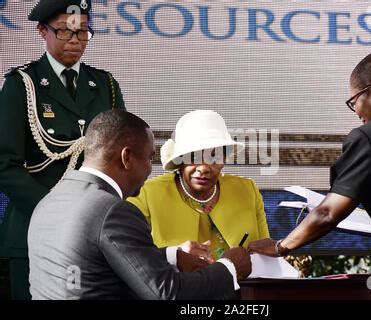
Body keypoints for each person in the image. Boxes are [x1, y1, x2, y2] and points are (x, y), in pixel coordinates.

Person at [248, 50, 371, 300]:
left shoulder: (370, 136)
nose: (355, 111)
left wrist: (281, 246)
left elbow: (328, 212)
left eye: (353, 101)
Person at [27, 109, 251, 300]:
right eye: (149, 158)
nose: (150, 169)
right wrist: (229, 267)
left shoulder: (50, 200)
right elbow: (166, 293)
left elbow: (98, 262)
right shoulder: (114, 211)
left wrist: (172, 255)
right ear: (127, 158)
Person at [0, 0, 125, 299]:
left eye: (83, 33)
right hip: (33, 228)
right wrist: (54, 211)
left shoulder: (105, 85)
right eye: (65, 32)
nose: (75, 41)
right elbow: (5, 164)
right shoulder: (22, 85)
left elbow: (120, 156)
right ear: (42, 31)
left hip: (92, 230)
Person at [128, 110, 270, 262]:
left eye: (214, 157)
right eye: (194, 156)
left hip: (243, 284)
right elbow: (131, 258)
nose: (203, 168)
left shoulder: (247, 190)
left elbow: (266, 252)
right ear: (179, 159)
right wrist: (175, 255)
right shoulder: (146, 195)